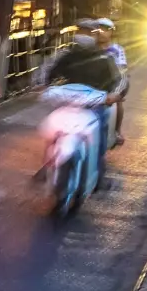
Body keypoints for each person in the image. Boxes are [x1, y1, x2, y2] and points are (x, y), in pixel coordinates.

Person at [44, 29, 120, 188]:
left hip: (91, 105)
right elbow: (51, 77)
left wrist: (110, 96)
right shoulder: (101, 58)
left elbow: (117, 82)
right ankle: (50, 165)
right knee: (53, 129)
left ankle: (98, 175)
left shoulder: (100, 57)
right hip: (77, 104)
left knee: (99, 136)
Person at [87, 18, 129, 146]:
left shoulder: (116, 49)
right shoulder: (88, 48)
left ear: (111, 32)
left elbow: (121, 70)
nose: (101, 32)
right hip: (89, 82)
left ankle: (116, 131)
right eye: (99, 29)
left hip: (109, 83)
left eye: (105, 29)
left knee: (118, 101)